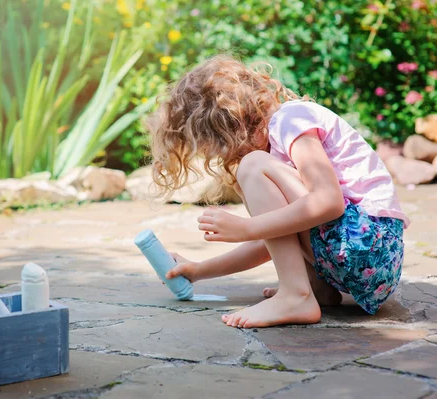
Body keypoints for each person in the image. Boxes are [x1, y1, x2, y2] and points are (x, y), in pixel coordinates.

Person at [147, 55, 410, 329]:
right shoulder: (280, 144)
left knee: (252, 166)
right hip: (368, 259)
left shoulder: (290, 120)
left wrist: (248, 227)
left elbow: (329, 203)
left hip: (369, 246)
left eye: (220, 145)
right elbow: (278, 236)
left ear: (234, 124)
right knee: (253, 177)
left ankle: (296, 295)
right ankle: (316, 289)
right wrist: (198, 271)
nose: (228, 154)